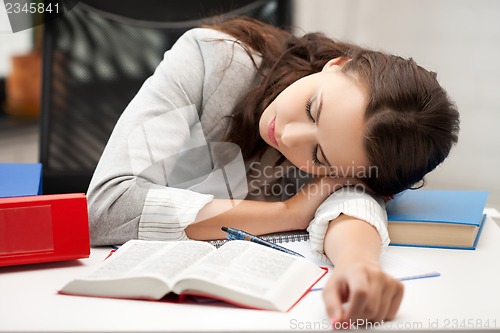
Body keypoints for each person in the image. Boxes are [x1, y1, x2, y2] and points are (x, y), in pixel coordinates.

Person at [87, 17, 459, 324]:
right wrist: (286, 212)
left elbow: (352, 202)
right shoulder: (208, 58)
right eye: (313, 108)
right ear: (338, 65)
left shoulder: (355, 154)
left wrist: (357, 264)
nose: (288, 134)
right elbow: (105, 206)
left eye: (320, 155)